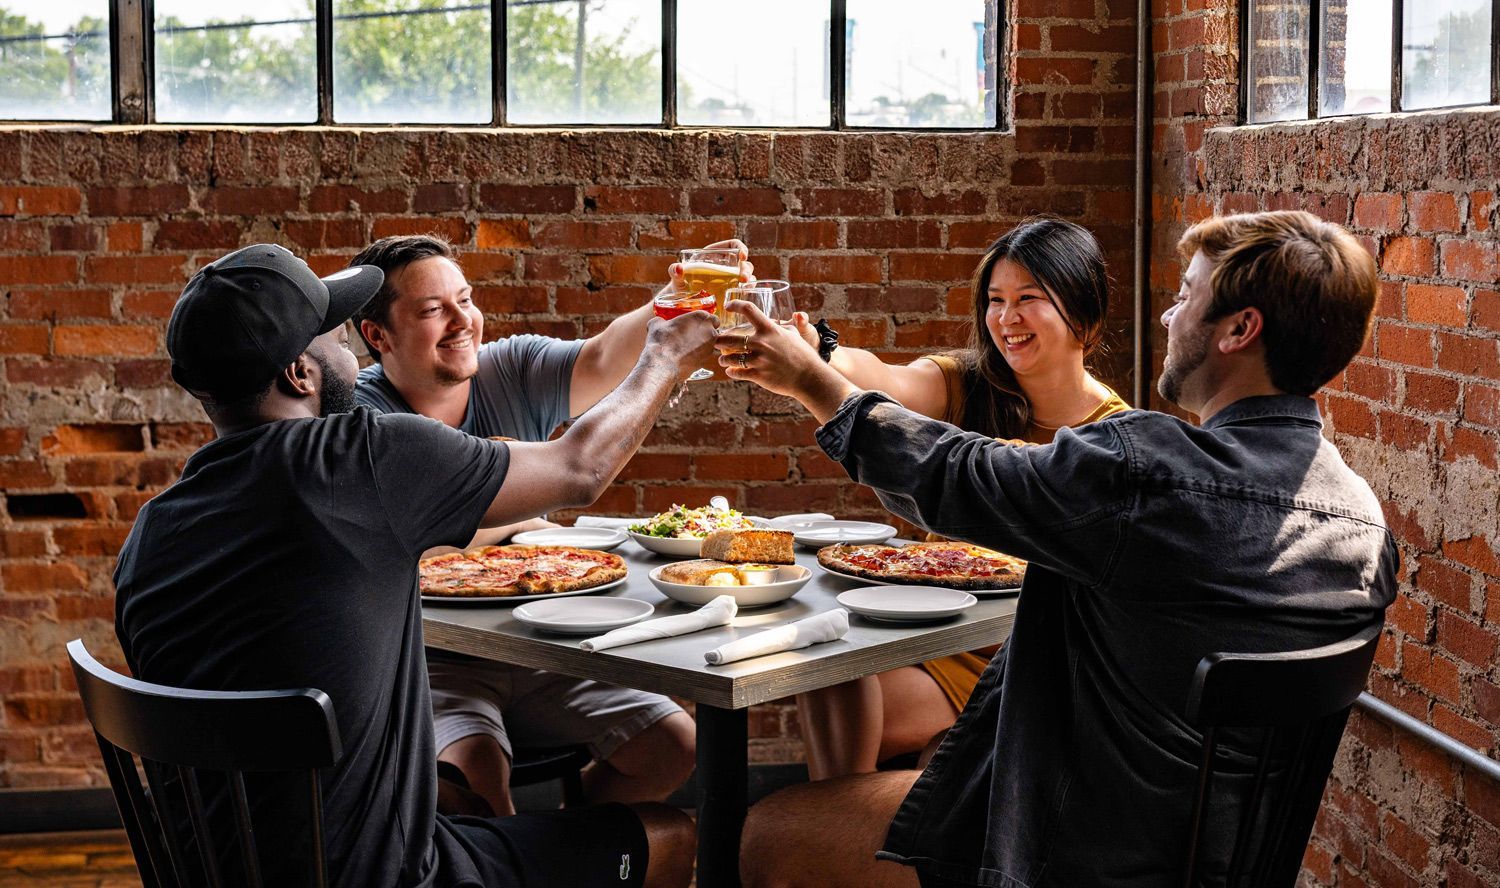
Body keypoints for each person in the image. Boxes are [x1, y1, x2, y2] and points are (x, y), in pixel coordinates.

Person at [715, 211, 1398, 887]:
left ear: (1240, 330)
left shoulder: (1144, 470)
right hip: (1215, 862)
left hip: (1067, 851)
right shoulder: (1364, 524)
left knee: (771, 832)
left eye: (1188, 295)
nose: (1167, 316)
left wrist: (810, 380)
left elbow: (955, 472)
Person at [114, 244, 708, 888]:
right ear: (299, 374)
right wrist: (666, 354)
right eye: (339, 336)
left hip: (216, 871)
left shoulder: (151, 533)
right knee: (671, 837)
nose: (354, 354)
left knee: (466, 800)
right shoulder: (360, 455)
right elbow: (581, 468)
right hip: (388, 874)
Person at [347, 234, 749, 817]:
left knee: (674, 748)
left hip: (542, 645)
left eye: (465, 299)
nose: (463, 322)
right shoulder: (358, 415)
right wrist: (517, 514)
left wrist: (675, 295)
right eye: (434, 310)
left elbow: (608, 356)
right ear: (377, 335)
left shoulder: (506, 368)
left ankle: (556, 852)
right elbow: (397, 546)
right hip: (429, 660)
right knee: (478, 784)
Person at [791, 219, 1129, 780]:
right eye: (995, 300)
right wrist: (817, 353)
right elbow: (883, 378)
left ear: (1084, 315)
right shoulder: (966, 382)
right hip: (918, 629)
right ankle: (845, 829)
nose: (1006, 319)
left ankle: (837, 829)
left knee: (842, 689)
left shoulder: (1113, 437)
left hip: (1014, 661)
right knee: (828, 656)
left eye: (1029, 299)